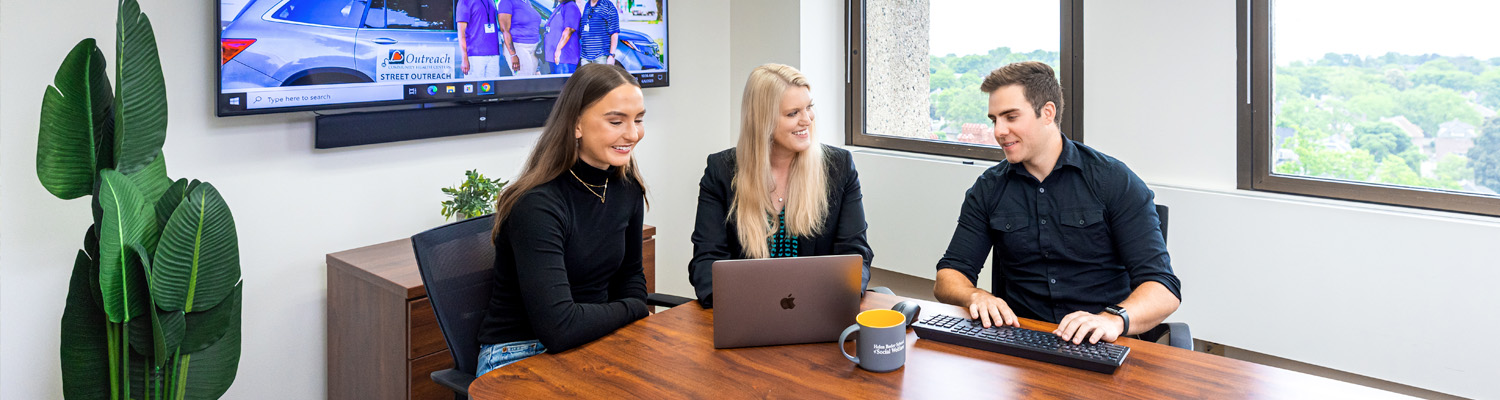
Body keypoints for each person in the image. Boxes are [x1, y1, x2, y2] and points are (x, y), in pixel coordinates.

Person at [932, 61, 1182, 345]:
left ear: (1047, 113)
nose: (999, 131)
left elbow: (1163, 289)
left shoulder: (1113, 180)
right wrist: (975, 295)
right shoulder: (988, 189)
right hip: (1023, 339)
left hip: (1102, 342)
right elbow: (949, 276)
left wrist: (1112, 319)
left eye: (1011, 117)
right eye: (994, 119)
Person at [475, 63, 650, 375]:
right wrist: (634, 309)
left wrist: (630, 307)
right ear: (576, 124)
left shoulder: (626, 188)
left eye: (638, 120)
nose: (633, 134)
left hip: (594, 340)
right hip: (518, 354)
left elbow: (631, 279)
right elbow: (559, 328)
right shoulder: (537, 205)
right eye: (616, 121)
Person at [688, 64, 873, 307]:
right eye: (793, 113)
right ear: (762, 120)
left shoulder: (838, 167)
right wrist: (741, 309)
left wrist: (836, 299)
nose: (806, 120)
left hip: (820, 308)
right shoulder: (721, 171)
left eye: (809, 107)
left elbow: (855, 255)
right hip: (746, 311)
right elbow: (706, 263)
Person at [456, 0, 502, 78]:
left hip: (494, 53)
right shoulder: (465, 1)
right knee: (475, 88)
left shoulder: (492, 1)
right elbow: (461, 33)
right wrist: (464, 58)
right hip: (475, 55)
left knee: (492, 88)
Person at [497, 0, 543, 76]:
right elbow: (504, 30)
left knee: (533, 81)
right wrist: (513, 54)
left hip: (533, 48)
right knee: (525, 80)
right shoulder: (506, 2)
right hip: (518, 46)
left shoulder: (527, 2)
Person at [544, 0, 583, 74]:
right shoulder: (561, 6)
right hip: (555, 57)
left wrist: (558, 49)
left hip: (564, 58)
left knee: (563, 84)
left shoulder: (571, 6)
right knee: (556, 84)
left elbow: (569, 29)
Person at [578, 0, 620, 66]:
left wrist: (611, 56)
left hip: (601, 57)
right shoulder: (587, 5)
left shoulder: (608, 6)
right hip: (585, 57)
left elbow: (614, 32)